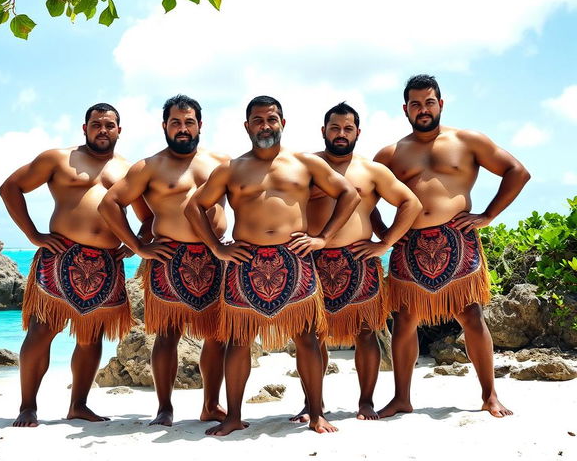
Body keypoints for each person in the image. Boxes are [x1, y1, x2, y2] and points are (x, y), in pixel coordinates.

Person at [185, 96, 360, 436]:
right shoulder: (231, 169)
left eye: (272, 119)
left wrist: (323, 238)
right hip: (245, 260)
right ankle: (234, 416)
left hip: (294, 258)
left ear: (283, 122)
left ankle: (315, 414)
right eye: (258, 120)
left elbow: (348, 194)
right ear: (247, 126)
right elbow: (195, 206)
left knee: (307, 338)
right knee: (238, 340)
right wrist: (216, 249)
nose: (266, 126)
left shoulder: (304, 164)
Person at [373, 75, 530, 418]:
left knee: (471, 316)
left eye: (429, 102)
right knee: (404, 320)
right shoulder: (391, 153)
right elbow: (363, 193)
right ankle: (402, 397)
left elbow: (517, 171)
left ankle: (490, 396)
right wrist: (383, 233)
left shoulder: (467, 140)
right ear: (405, 109)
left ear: (440, 104)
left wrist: (488, 214)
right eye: (415, 104)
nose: (423, 109)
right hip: (409, 243)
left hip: (457, 237)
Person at [0, 103, 151, 427]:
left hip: (107, 263)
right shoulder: (58, 159)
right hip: (60, 253)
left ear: (119, 131)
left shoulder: (128, 170)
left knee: (91, 337)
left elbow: (148, 216)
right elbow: (10, 188)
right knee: (42, 331)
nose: (102, 130)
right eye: (96, 124)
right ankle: (28, 407)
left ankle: (78, 405)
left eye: (109, 125)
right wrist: (32, 234)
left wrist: (134, 242)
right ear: (85, 128)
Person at [98, 95, 229, 426]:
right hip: (168, 257)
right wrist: (139, 248)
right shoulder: (149, 167)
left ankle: (210, 405)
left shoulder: (222, 162)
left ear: (200, 124)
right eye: (175, 123)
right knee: (167, 335)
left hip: (216, 257)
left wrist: (241, 240)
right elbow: (110, 204)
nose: (182, 129)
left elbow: (247, 200)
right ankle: (164, 409)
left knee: (217, 334)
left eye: (188, 122)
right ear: (164, 127)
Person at [291, 102, 420, 422]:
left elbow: (410, 203)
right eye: (334, 128)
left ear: (358, 133)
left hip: (360, 260)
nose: (340, 134)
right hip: (313, 258)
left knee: (367, 332)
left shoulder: (372, 170)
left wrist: (386, 241)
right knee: (310, 333)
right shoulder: (305, 167)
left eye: (348, 129)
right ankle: (312, 404)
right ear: (323, 131)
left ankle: (366, 402)